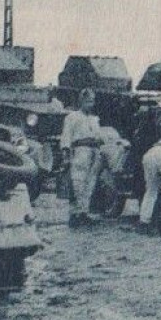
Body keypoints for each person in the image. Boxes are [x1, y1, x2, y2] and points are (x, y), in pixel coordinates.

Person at [60, 89, 104, 227]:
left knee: (90, 183)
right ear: (82, 101)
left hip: (94, 151)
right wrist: (66, 154)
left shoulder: (94, 119)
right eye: (88, 101)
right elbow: (66, 136)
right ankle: (74, 214)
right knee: (78, 181)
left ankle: (84, 212)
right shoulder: (72, 117)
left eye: (93, 101)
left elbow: (98, 136)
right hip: (80, 151)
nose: (91, 104)